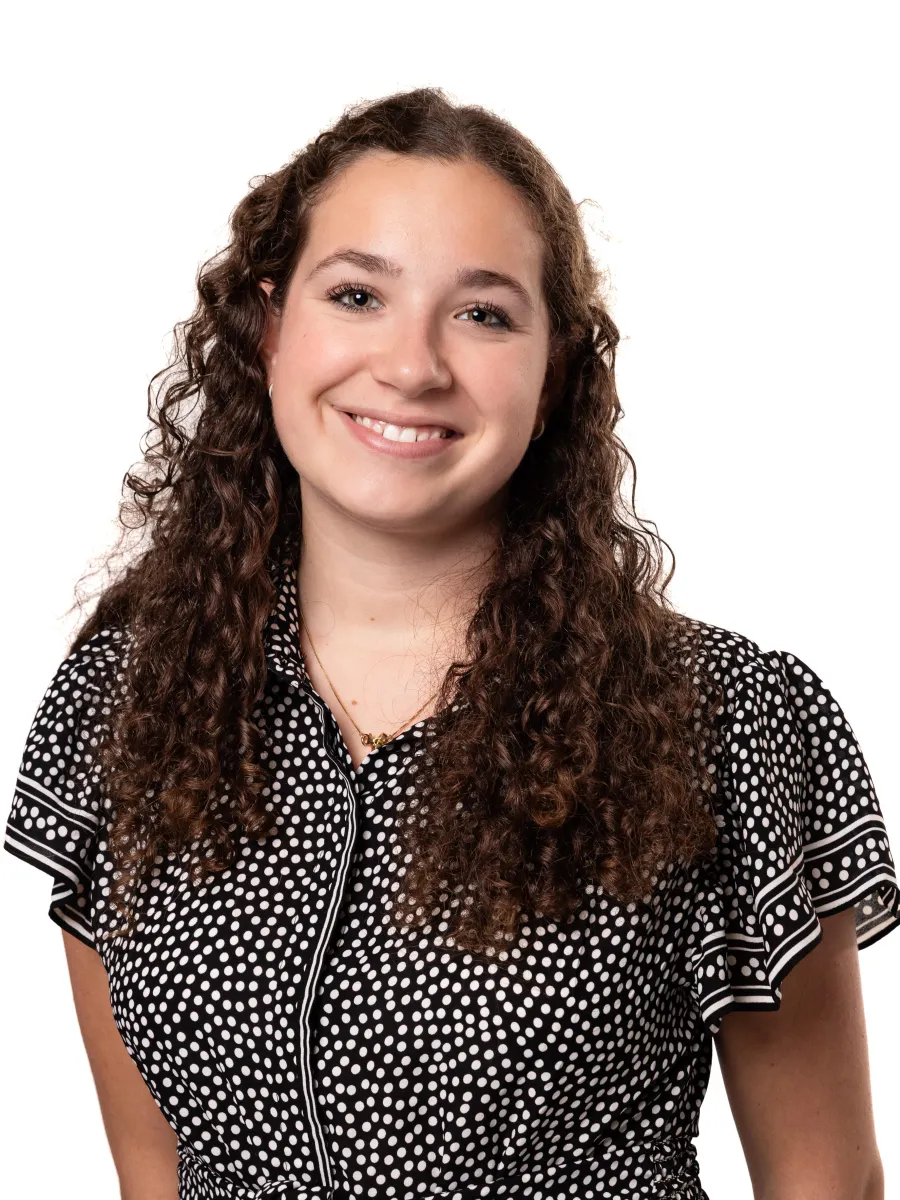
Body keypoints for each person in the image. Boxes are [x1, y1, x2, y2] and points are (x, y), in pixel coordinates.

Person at [4, 86, 898, 1200]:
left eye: (482, 314)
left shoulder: (720, 720)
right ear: (270, 327)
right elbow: (155, 1175)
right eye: (357, 295)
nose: (412, 364)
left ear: (554, 372)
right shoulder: (131, 696)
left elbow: (824, 1181)